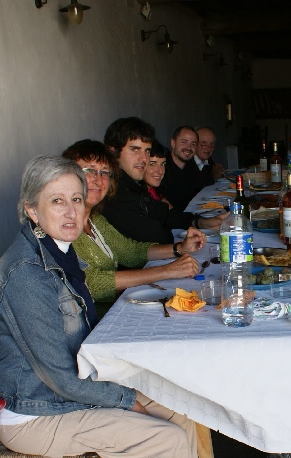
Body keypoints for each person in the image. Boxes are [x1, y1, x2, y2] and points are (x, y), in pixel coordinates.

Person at [0, 155, 211, 458]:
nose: (71, 211)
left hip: (67, 393)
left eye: (76, 199)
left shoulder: (57, 251)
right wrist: (128, 399)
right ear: (31, 209)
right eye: (57, 201)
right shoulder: (27, 274)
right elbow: (59, 378)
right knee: (163, 440)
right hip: (36, 413)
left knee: (180, 411)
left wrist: (130, 391)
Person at [62, 139, 203, 319]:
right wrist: (167, 270)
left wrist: (179, 248)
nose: (98, 180)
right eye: (90, 170)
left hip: (117, 311)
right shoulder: (63, 226)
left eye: (104, 172)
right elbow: (90, 284)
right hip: (93, 324)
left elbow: (131, 251)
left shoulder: (96, 220)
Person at [102, 117, 223, 244]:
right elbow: (153, 237)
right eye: (135, 149)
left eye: (147, 151)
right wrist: (178, 248)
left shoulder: (134, 186)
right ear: (113, 151)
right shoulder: (114, 190)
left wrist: (202, 222)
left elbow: (164, 214)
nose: (144, 158)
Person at [159, 126, 203, 212]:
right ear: (173, 143)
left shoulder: (191, 166)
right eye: (184, 142)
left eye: (193, 144)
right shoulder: (162, 169)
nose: (189, 147)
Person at [145, 139, 172, 207]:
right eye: (152, 164)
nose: (160, 171)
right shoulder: (135, 198)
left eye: (163, 164)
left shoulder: (156, 192)